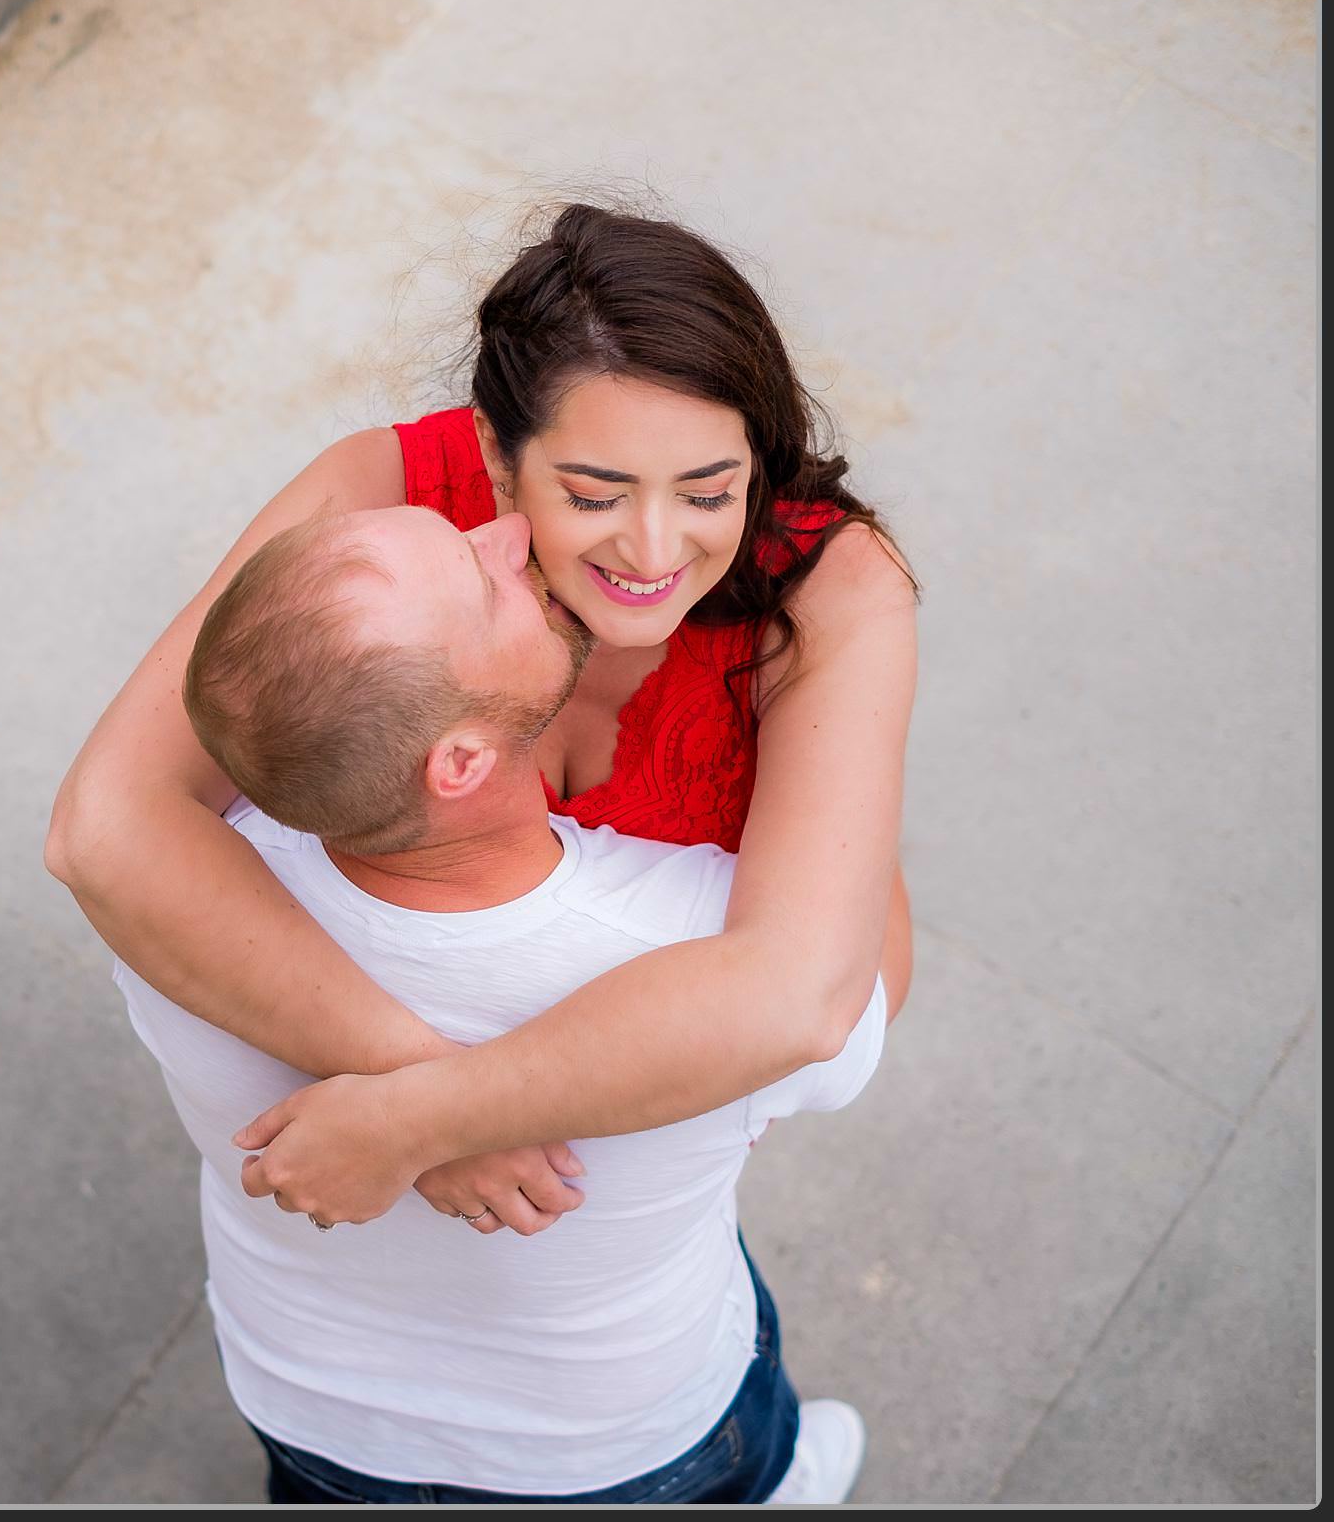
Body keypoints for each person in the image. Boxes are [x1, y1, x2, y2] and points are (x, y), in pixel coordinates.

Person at [45, 199, 919, 1241]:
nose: (651, 551)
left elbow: (817, 995)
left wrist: (422, 1119)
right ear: (499, 461)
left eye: (707, 491)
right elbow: (103, 824)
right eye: (594, 493)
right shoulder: (380, 492)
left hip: (639, 1188)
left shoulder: (834, 585)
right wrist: (408, 1075)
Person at [110, 500, 902, 1502]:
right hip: (618, 1441)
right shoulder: (701, 938)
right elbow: (861, 984)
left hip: (311, 1400)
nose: (513, 533)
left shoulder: (172, 906)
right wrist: (843, 723)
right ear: (461, 762)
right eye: (485, 584)